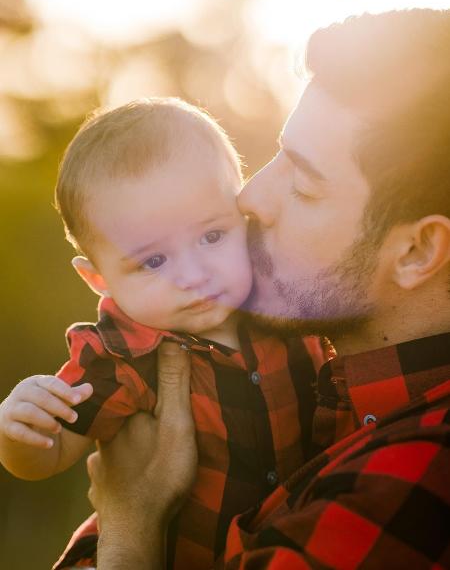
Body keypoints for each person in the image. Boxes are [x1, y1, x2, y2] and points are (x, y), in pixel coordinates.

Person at [85, 9, 450, 569]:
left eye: (303, 185)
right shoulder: (324, 390)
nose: (251, 198)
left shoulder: (409, 481)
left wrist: (133, 521)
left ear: (417, 252)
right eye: (276, 154)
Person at [0, 98, 325, 570]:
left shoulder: (293, 308)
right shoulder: (119, 357)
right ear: (100, 280)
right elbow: (47, 457)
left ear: (243, 216)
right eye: (153, 261)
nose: (192, 274)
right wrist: (21, 433)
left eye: (212, 236)